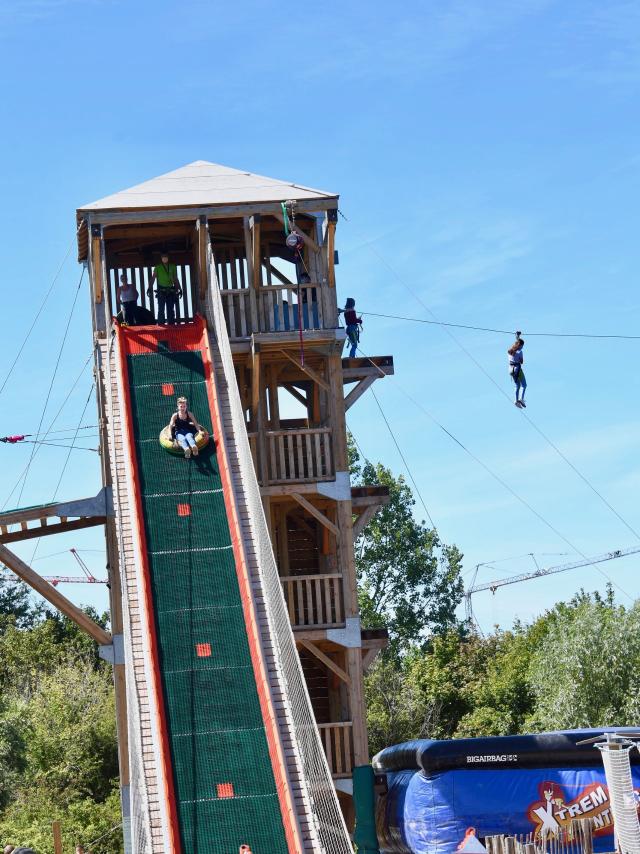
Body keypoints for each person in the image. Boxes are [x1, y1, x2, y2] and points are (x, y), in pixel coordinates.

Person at [147, 253, 182, 325]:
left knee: (170, 310)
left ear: (168, 257)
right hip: (161, 291)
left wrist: (179, 289)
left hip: (170, 291)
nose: (165, 258)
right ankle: (161, 325)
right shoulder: (158, 267)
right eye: (163, 257)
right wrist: (149, 288)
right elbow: (153, 278)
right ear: (161, 258)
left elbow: (175, 279)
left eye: (166, 256)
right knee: (161, 309)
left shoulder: (172, 267)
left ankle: (171, 325)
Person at [508, 333, 527, 408]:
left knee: (517, 386)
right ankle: (521, 399)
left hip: (511, 370)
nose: (523, 347)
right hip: (517, 370)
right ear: (520, 345)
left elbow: (516, 344)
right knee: (524, 385)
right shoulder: (520, 352)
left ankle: (516, 401)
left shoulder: (510, 350)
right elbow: (521, 362)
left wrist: (517, 337)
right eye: (522, 346)